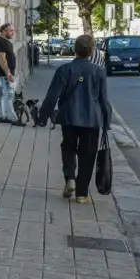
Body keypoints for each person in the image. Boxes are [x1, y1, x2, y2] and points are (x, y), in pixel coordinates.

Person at [38, 35, 112, 203]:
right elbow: (104, 100)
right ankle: (81, 194)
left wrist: (42, 117)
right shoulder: (98, 72)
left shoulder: (64, 70)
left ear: (75, 50)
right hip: (92, 120)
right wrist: (106, 123)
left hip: (69, 117)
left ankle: (70, 178)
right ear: (92, 51)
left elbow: (52, 96)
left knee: (68, 148)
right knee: (88, 155)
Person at [0, 23, 24, 126]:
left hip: (3, 74)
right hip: (5, 74)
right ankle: (13, 119)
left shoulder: (5, 42)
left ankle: (1, 116)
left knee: (1, 95)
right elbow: (2, 60)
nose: (13, 32)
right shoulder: (0, 42)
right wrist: (8, 73)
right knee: (9, 96)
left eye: (13, 30)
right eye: (10, 30)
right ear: (3, 31)